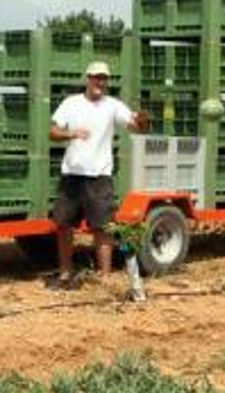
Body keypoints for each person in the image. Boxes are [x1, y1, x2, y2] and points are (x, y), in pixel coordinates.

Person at [47, 61, 149, 290]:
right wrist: (71, 133)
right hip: (71, 174)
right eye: (96, 77)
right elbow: (52, 131)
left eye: (104, 78)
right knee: (63, 225)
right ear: (87, 78)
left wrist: (143, 121)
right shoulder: (71, 103)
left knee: (102, 228)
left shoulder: (113, 106)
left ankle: (104, 277)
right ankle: (65, 274)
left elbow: (136, 126)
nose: (100, 82)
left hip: (99, 177)